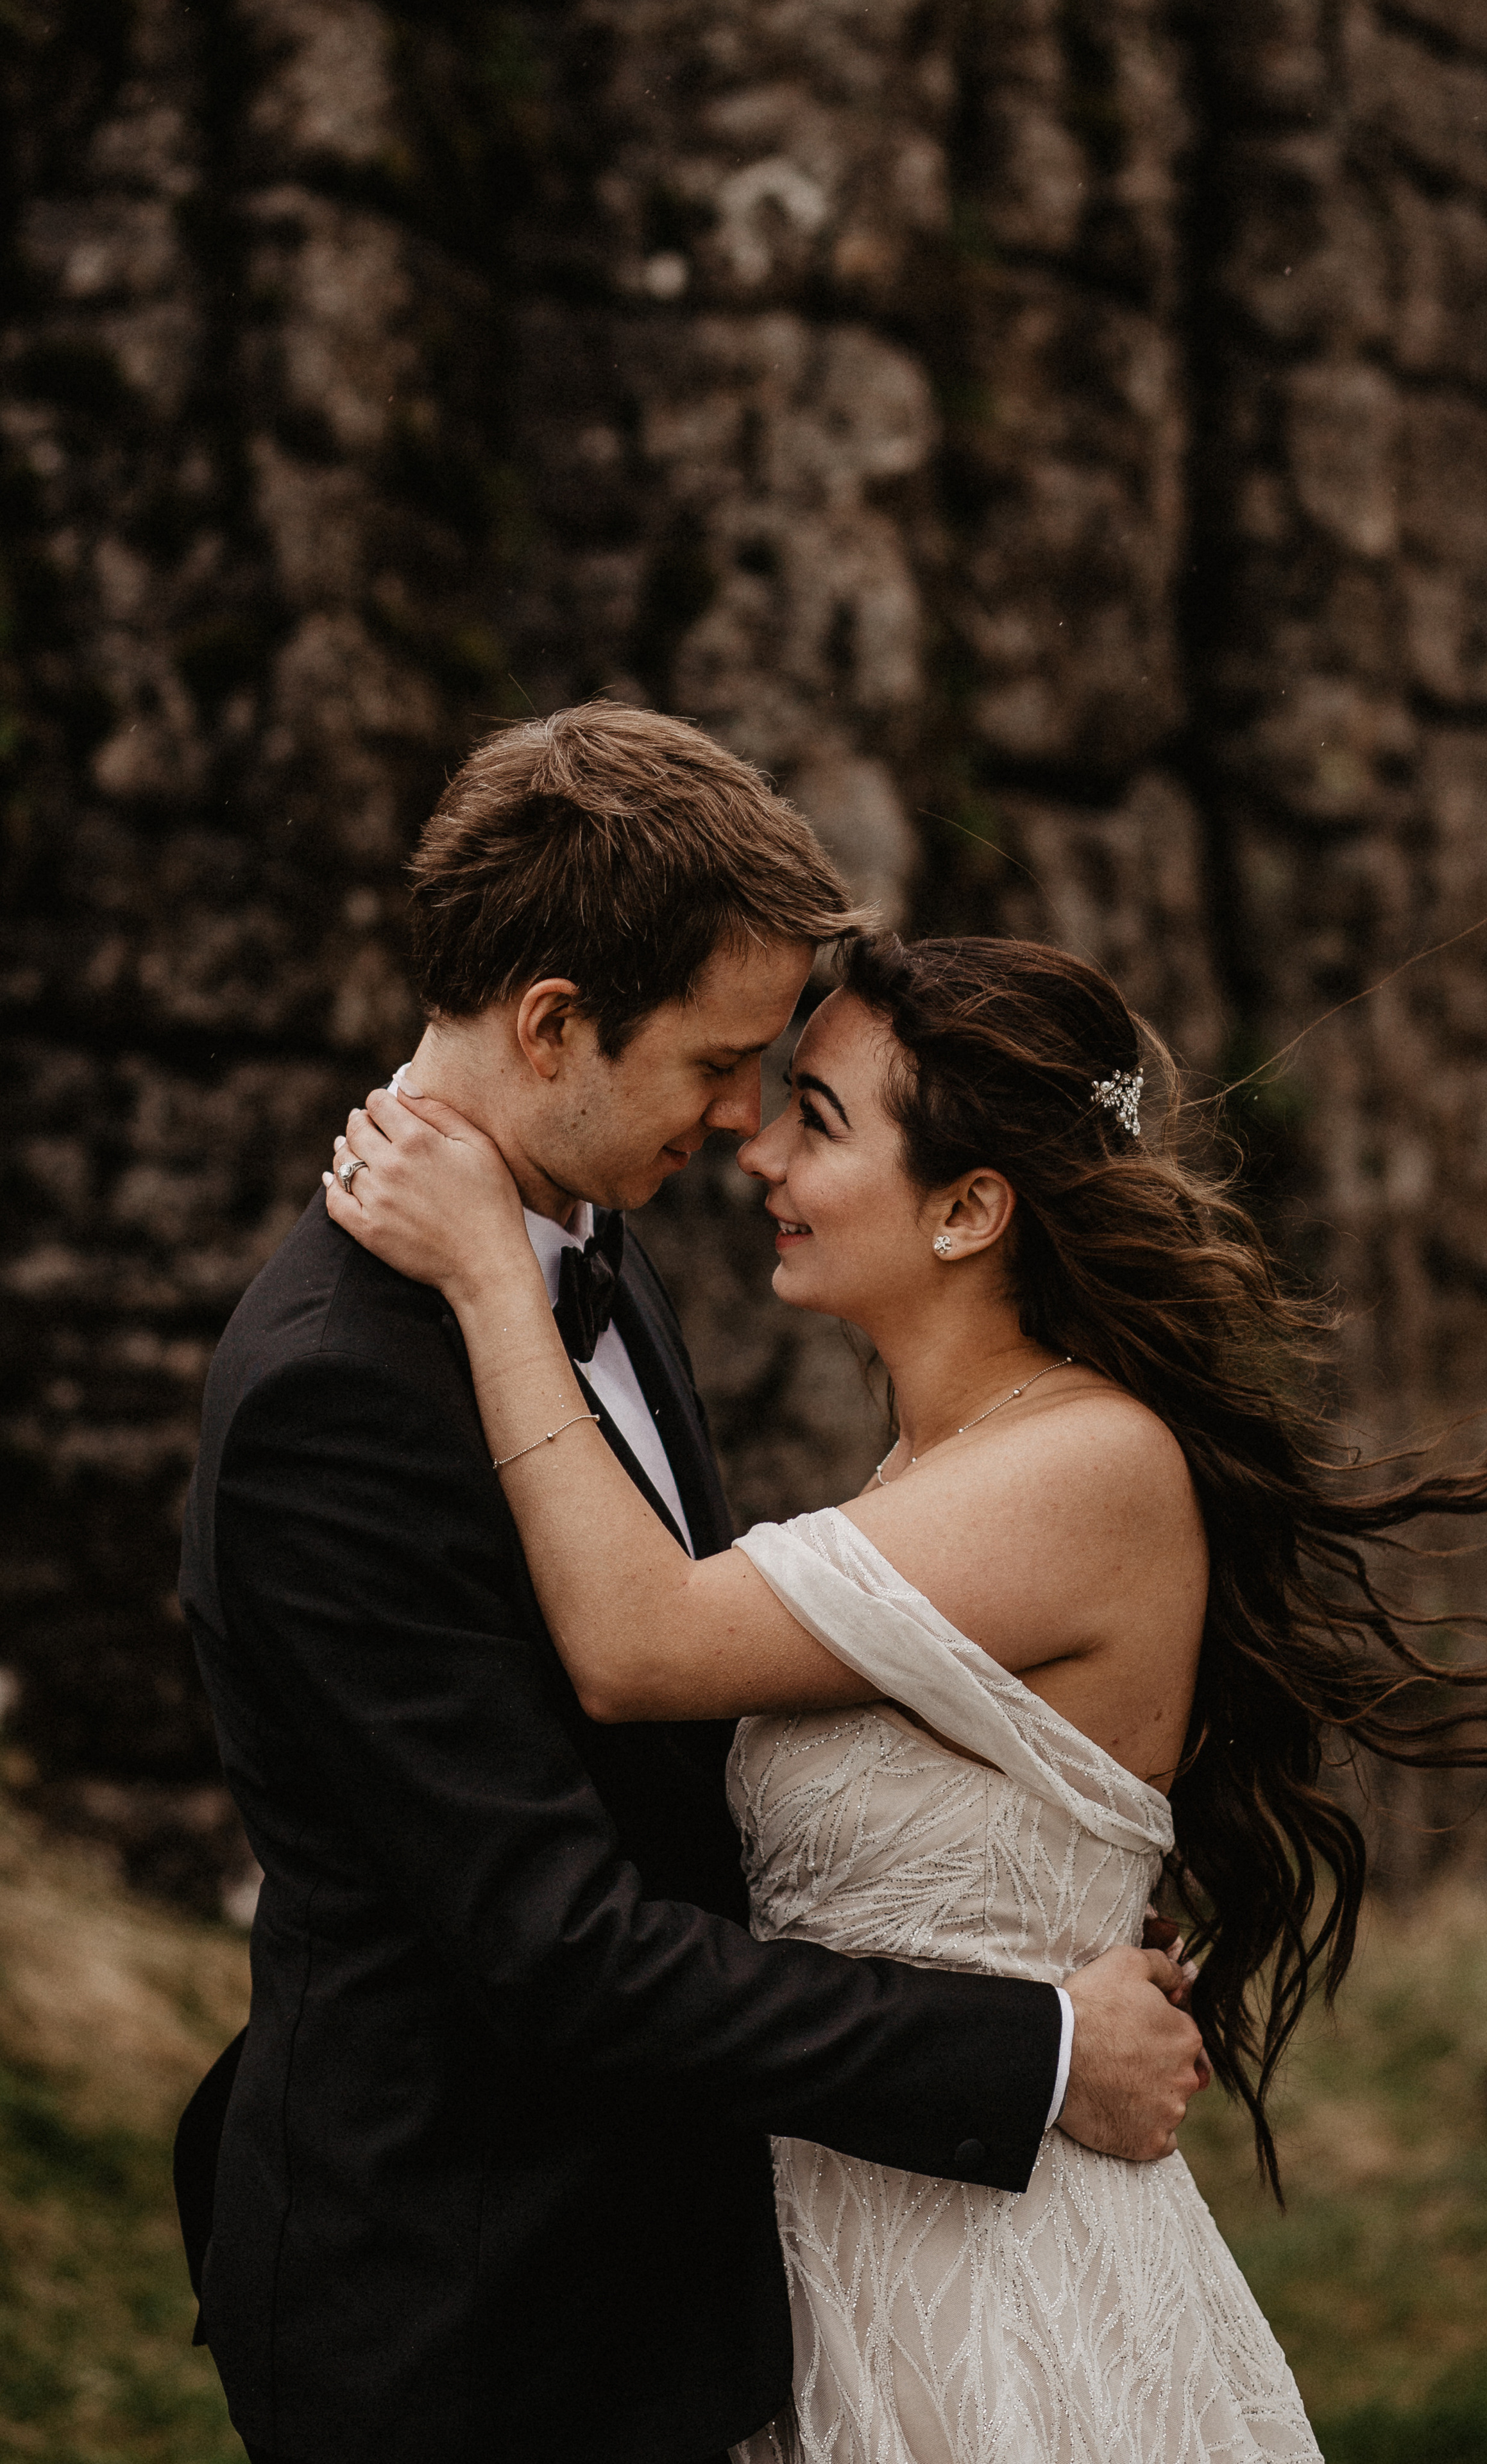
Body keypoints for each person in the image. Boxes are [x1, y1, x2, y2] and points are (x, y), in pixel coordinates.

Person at [328, 924, 1487, 2464]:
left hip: (992, 2303)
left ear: (966, 1209)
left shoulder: (1080, 1468)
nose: (754, 1151)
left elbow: (638, 1641)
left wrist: (487, 1274)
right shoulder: (940, 1470)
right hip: (837, 2261)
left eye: (814, 1118)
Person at [174, 706, 1206, 2464]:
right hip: (468, 2300)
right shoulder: (337, 1390)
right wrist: (1030, 2050)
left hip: (683, 2267)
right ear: (556, 1025)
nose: (743, 1128)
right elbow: (559, 1950)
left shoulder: (589, 1246)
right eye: (723, 1065)